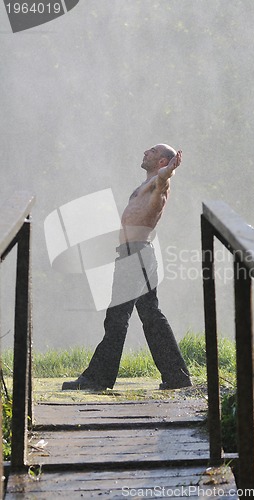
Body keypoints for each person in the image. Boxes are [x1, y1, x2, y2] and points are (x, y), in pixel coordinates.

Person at [62, 144, 192, 391]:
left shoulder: (159, 182)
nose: (146, 151)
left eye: (152, 151)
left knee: (117, 317)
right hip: (137, 254)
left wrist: (170, 170)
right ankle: (176, 376)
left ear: (163, 161)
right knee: (150, 315)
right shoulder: (147, 183)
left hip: (136, 255)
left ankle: (97, 378)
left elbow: (165, 178)